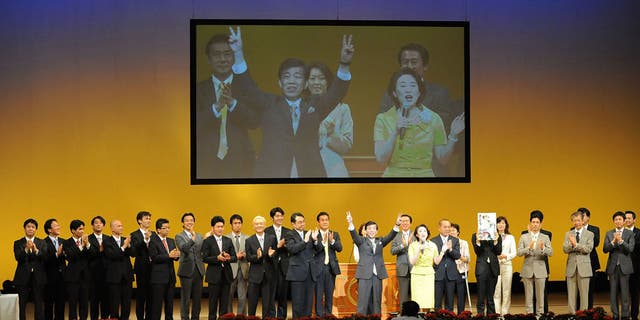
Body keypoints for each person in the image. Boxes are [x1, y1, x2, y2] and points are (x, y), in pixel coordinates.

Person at [228, 26, 354, 178]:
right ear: (280, 83)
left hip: (309, 175)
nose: (292, 81)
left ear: (306, 83)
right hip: (273, 175)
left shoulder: (315, 105)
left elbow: (337, 93)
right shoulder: (268, 103)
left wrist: (344, 63)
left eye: (297, 76)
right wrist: (238, 53)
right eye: (286, 77)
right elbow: (247, 88)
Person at [378, 43, 457, 177]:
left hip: (431, 164)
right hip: (398, 167)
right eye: (405, 62)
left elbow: (443, 127)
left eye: (414, 62)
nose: (409, 66)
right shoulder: (390, 95)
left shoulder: (439, 93)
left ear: (425, 66)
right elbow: (383, 130)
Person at [195, 33, 258, 179]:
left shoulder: (245, 87)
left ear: (234, 57)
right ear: (208, 59)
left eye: (227, 54)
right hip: (204, 163)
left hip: (241, 162)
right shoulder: (197, 90)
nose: (222, 59)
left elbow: (255, 121)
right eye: (216, 55)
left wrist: (232, 104)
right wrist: (216, 107)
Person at [346, 211, 400, 315]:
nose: (371, 231)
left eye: (374, 229)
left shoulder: (380, 241)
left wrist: (397, 225)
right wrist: (350, 223)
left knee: (376, 301)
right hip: (364, 275)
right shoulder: (361, 241)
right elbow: (353, 235)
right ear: (365, 231)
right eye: (369, 229)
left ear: (376, 230)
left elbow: (390, 236)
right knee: (363, 302)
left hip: (377, 275)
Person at [307, 62, 354, 177]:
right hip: (306, 170)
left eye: (321, 79)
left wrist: (332, 134)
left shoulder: (342, 109)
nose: (317, 83)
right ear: (306, 82)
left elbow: (345, 148)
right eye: (312, 79)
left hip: (334, 170)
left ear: (328, 82)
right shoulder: (299, 108)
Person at [517, 211, 553, 316]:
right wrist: (528, 248)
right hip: (527, 269)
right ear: (530, 223)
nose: (535, 224)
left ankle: (540, 315)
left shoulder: (545, 237)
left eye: (537, 222)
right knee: (528, 296)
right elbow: (519, 252)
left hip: (541, 269)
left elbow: (551, 252)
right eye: (533, 222)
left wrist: (543, 248)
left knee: (540, 296)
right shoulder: (524, 237)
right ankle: (529, 315)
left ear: (540, 224)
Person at [202, 216, 237, 320]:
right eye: (218, 227)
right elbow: (204, 258)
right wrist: (217, 258)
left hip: (226, 275)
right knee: (212, 302)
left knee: (225, 303)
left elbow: (234, 257)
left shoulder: (228, 240)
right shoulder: (208, 241)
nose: (220, 229)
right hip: (213, 276)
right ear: (212, 228)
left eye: (222, 226)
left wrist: (228, 257)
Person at [286, 212, 318, 318]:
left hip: (310, 272)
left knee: (308, 302)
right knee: (298, 302)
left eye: (303, 221)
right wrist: (305, 241)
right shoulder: (289, 234)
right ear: (293, 224)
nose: (302, 224)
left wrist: (315, 240)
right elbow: (292, 249)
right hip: (297, 273)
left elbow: (319, 250)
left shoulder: (308, 233)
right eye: (299, 222)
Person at [604, 211, 635, 319]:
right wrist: (613, 241)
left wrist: (621, 241)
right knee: (613, 293)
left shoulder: (629, 233)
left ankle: (625, 315)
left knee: (625, 293)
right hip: (612, 267)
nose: (617, 221)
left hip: (625, 266)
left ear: (624, 221)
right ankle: (615, 315)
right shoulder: (609, 233)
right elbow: (605, 249)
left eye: (620, 219)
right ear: (613, 221)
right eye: (616, 219)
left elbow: (630, 249)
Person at [14, 218, 47, 320]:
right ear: (24, 228)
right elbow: (18, 257)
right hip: (22, 276)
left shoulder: (42, 242)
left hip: (38, 276)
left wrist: (36, 251)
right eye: (28, 227)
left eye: (33, 227)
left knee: (38, 302)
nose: (30, 229)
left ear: (36, 229)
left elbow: (44, 257)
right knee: (22, 304)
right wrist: (26, 249)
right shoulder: (18, 243)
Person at [175, 212, 206, 320]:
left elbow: (202, 250)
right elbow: (184, 248)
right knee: (186, 298)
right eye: (187, 220)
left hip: (198, 269)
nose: (189, 222)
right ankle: (184, 318)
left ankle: (195, 317)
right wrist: (192, 238)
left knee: (197, 298)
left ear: (194, 222)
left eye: (191, 220)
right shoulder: (179, 236)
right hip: (186, 271)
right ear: (182, 223)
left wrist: (206, 239)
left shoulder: (199, 236)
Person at [64, 219, 96, 320]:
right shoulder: (67, 242)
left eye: (83, 229)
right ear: (73, 231)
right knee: (73, 302)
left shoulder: (87, 241)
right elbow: (70, 256)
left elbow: (94, 254)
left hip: (85, 276)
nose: (82, 231)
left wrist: (87, 245)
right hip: (73, 276)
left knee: (84, 302)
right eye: (80, 229)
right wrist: (81, 246)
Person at [245, 215, 277, 318]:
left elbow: (275, 254)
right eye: (257, 224)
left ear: (265, 225)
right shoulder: (249, 240)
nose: (259, 225)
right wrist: (257, 256)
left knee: (267, 302)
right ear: (253, 226)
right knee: (252, 302)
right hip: (254, 275)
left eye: (261, 223)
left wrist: (271, 255)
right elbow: (248, 257)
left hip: (268, 274)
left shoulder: (271, 238)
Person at [563, 211, 594, 314]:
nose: (576, 222)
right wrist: (571, 245)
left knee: (584, 294)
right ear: (572, 222)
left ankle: (583, 315)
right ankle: (572, 315)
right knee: (571, 294)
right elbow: (565, 249)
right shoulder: (568, 233)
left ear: (583, 220)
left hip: (584, 268)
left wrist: (576, 245)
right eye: (574, 220)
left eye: (578, 220)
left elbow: (588, 249)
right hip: (571, 267)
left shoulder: (590, 234)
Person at [149, 218, 180, 320]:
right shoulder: (153, 241)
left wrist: (176, 256)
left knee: (170, 304)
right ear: (158, 230)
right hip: (158, 278)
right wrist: (169, 256)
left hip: (170, 277)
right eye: (164, 228)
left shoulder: (171, 241)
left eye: (168, 227)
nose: (167, 230)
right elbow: (154, 258)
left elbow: (173, 256)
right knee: (157, 305)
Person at [313, 212, 343, 317]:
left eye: (327, 220)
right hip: (318, 269)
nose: (325, 222)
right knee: (318, 295)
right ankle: (319, 316)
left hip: (331, 269)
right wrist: (319, 242)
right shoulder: (314, 234)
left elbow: (339, 248)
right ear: (318, 222)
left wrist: (332, 241)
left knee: (329, 295)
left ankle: (328, 315)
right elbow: (314, 251)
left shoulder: (334, 234)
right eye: (322, 220)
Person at [103, 219, 134, 320]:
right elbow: (112, 255)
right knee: (114, 302)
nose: (121, 227)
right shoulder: (107, 241)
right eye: (118, 226)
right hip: (114, 276)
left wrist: (129, 246)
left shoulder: (126, 239)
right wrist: (124, 246)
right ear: (112, 228)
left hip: (127, 276)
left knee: (127, 302)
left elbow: (133, 254)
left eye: (121, 225)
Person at [264, 207, 290, 318]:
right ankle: (271, 316)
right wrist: (278, 246)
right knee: (271, 293)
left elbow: (291, 248)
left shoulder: (288, 231)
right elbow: (265, 248)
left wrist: (285, 246)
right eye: (277, 216)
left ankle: (281, 316)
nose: (280, 218)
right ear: (272, 218)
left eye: (281, 216)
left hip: (284, 266)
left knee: (283, 293)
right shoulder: (266, 231)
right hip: (270, 265)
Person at [431, 219, 461, 312]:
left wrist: (451, 249)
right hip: (438, 273)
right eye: (445, 227)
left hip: (451, 274)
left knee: (450, 300)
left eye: (449, 227)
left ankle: (449, 316)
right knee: (437, 300)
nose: (447, 229)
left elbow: (457, 256)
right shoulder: (433, 241)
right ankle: (437, 317)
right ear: (439, 228)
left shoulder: (455, 240)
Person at [130, 211, 155, 320]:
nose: (148, 220)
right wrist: (145, 239)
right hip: (142, 269)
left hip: (154, 269)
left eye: (149, 218)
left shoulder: (153, 233)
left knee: (152, 296)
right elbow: (134, 251)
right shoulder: (134, 235)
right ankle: (140, 317)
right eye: (146, 218)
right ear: (140, 221)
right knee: (141, 296)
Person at [407, 224, 438, 311]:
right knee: (418, 297)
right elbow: (412, 262)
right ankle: (418, 314)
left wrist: (443, 251)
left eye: (424, 231)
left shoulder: (433, 245)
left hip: (429, 273)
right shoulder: (413, 245)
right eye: (420, 231)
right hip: (417, 273)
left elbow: (436, 261)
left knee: (428, 296)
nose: (423, 233)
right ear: (417, 235)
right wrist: (419, 250)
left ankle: (428, 314)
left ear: (427, 233)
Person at [471, 229, 502, 315]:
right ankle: (480, 315)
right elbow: (478, 251)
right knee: (481, 296)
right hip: (481, 268)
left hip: (493, 268)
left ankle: (491, 315)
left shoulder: (496, 235)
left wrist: (496, 241)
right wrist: (478, 240)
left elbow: (499, 251)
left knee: (490, 296)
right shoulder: (475, 235)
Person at [42, 218, 66, 320]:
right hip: (49, 277)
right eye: (56, 226)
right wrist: (57, 254)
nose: (59, 227)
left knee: (61, 303)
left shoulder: (63, 241)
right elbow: (44, 259)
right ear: (49, 230)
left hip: (63, 276)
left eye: (58, 225)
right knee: (49, 304)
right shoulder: (43, 242)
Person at [577, 207, 600, 310]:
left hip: (591, 261)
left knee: (589, 289)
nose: (581, 217)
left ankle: (589, 311)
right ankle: (578, 312)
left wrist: (579, 244)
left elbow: (596, 243)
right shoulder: (573, 229)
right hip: (577, 262)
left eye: (583, 215)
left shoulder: (594, 229)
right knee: (578, 290)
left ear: (588, 217)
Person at [493, 216, 517, 315]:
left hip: (507, 266)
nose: (501, 225)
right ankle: (497, 312)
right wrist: (497, 257)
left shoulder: (510, 237)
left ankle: (505, 312)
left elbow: (514, 252)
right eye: (498, 223)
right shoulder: (492, 236)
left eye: (503, 223)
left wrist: (505, 256)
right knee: (496, 290)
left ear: (506, 225)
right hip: (496, 266)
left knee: (506, 290)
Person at [88, 216, 110, 320]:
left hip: (107, 272)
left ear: (103, 225)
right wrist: (100, 251)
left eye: (101, 223)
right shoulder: (88, 239)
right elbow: (87, 255)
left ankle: (105, 317)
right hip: (93, 273)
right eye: (96, 223)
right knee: (94, 299)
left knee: (106, 298)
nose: (98, 224)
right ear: (92, 225)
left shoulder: (108, 238)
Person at [227, 214, 249, 315]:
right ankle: (229, 315)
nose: (237, 225)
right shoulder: (226, 238)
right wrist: (235, 255)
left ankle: (241, 316)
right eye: (235, 223)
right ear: (231, 225)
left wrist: (245, 254)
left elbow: (251, 254)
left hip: (243, 269)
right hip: (230, 270)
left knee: (242, 296)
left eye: (239, 223)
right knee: (228, 296)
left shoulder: (248, 238)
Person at [391, 214, 414, 305]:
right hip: (402, 269)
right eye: (402, 221)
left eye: (406, 221)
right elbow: (392, 251)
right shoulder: (396, 235)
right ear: (400, 223)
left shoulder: (416, 235)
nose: (404, 223)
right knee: (403, 297)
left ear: (410, 223)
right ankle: (403, 316)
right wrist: (403, 245)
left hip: (415, 269)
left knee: (415, 295)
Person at [450, 223, 470, 314]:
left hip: (461, 270)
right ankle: (449, 313)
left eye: (453, 230)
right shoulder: (446, 243)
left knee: (461, 294)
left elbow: (467, 259)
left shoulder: (464, 243)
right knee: (449, 293)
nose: (451, 232)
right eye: (450, 230)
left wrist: (459, 258)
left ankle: (461, 314)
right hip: (449, 270)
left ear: (458, 232)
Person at [625, 210, 640, 320]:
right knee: (624, 293)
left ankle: (634, 315)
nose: (627, 220)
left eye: (629, 218)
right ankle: (624, 314)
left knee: (635, 293)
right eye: (625, 218)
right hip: (622, 267)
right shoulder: (620, 232)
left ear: (634, 220)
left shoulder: (639, 233)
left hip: (635, 267)